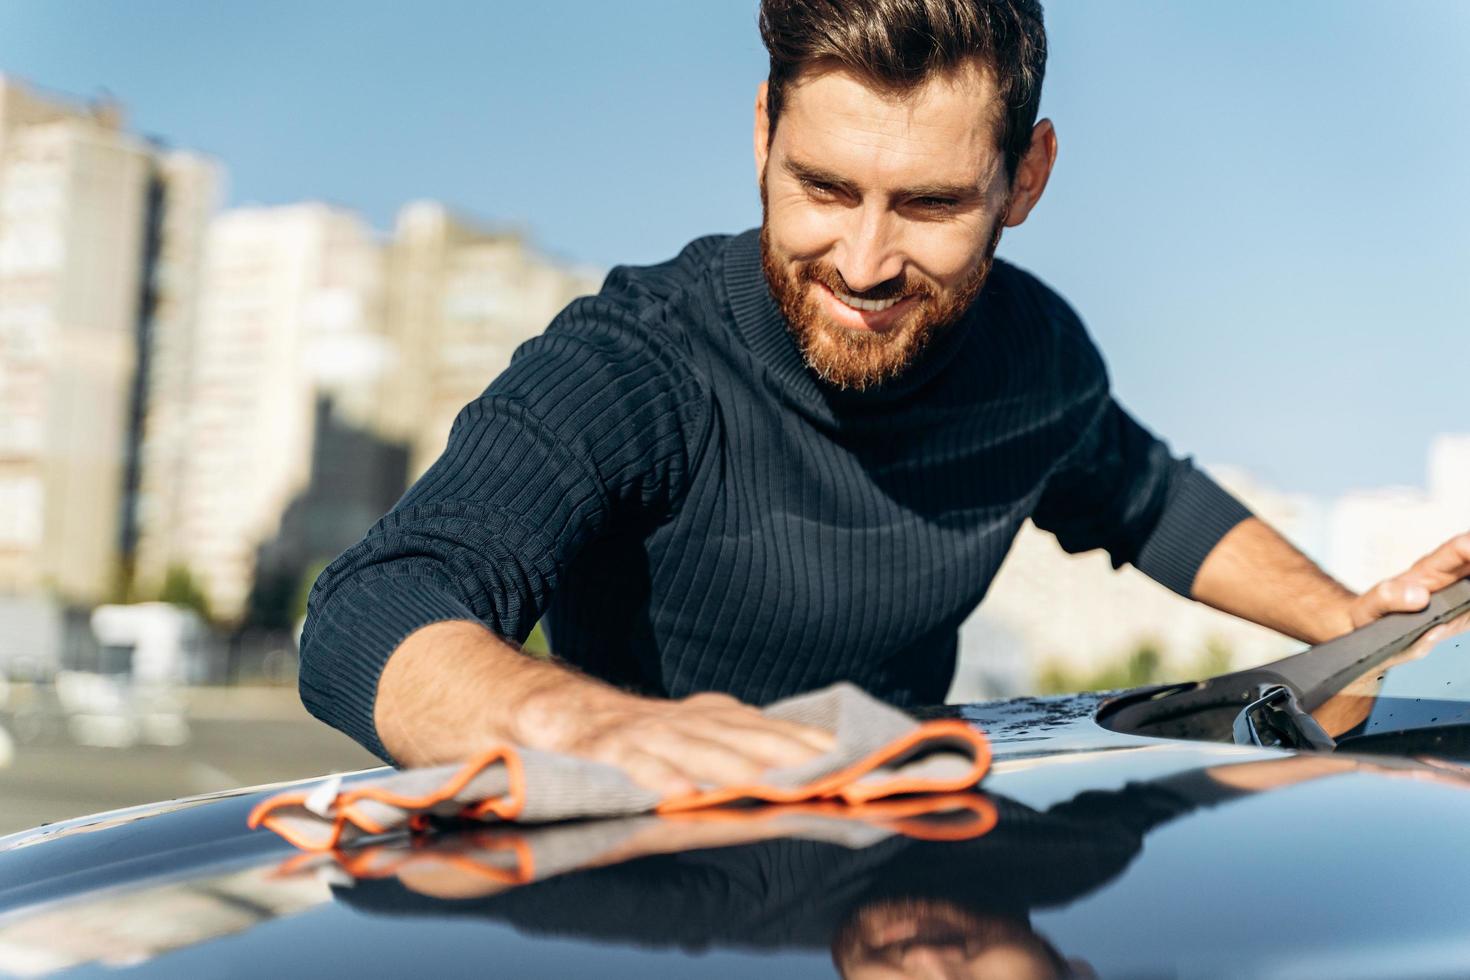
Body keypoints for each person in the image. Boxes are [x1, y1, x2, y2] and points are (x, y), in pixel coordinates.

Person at [298, 0, 1470, 792]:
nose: (862, 262)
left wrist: (1345, 613)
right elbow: (372, 608)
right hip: (651, 909)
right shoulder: (635, 364)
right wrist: (606, 729)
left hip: (912, 883)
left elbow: (1149, 496)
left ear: (1027, 178)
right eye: (821, 186)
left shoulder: (1032, 355)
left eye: (929, 206)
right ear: (763, 132)